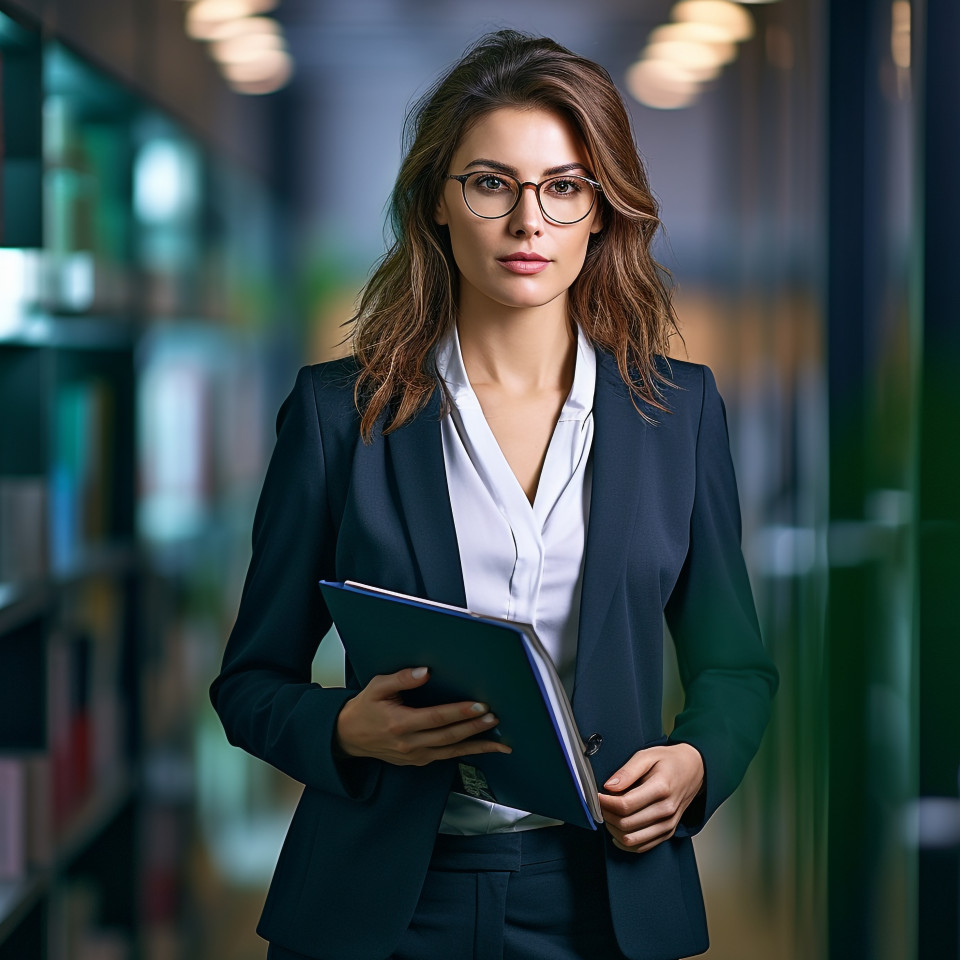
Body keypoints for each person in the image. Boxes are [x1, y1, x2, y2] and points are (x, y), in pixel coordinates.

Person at [210, 29, 778, 960]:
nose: (529, 224)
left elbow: (736, 667)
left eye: (564, 187)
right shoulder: (337, 414)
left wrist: (698, 761)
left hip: (603, 899)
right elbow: (250, 683)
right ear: (438, 201)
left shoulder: (679, 412)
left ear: (603, 210)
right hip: (382, 900)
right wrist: (345, 727)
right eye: (491, 183)